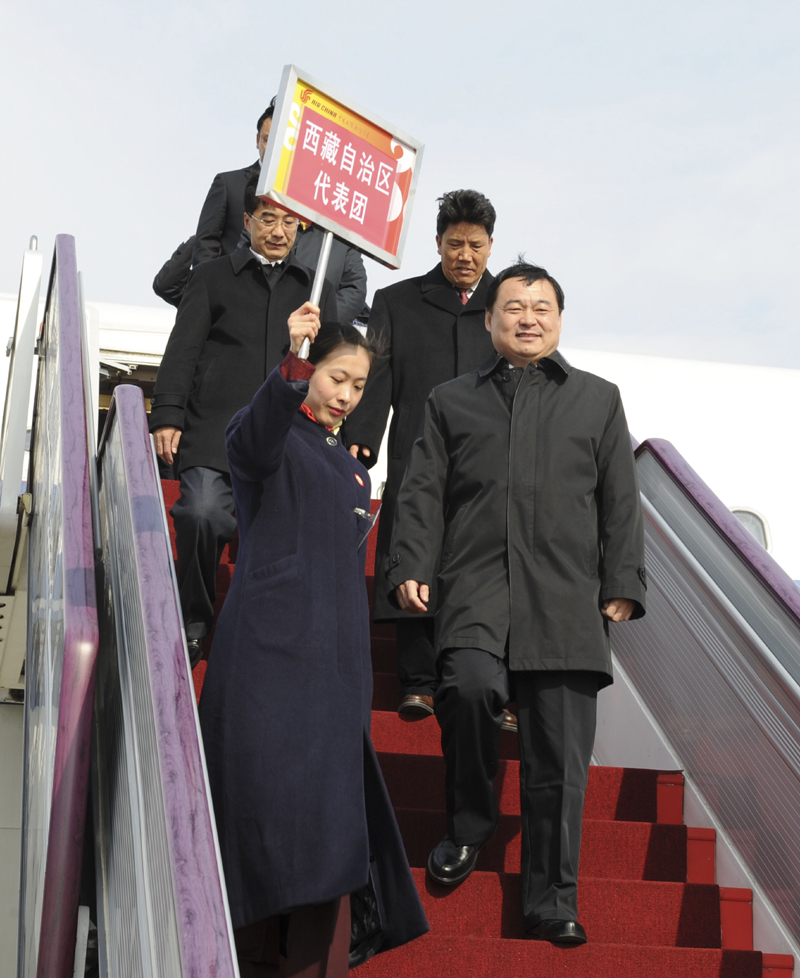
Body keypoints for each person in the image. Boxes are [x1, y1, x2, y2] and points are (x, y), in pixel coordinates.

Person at [387, 261, 647, 947]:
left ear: (559, 320)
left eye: (541, 307)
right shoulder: (452, 401)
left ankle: (551, 899)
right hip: (475, 586)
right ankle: (470, 823)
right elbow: (420, 491)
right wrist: (413, 562)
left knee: (558, 760)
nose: (527, 317)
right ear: (490, 320)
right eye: (513, 307)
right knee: (468, 691)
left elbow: (621, 499)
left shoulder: (598, 400)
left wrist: (623, 581)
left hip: (566, 597)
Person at [198, 312, 428, 977]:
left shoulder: (351, 469)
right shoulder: (264, 430)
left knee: (328, 842)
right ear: (306, 369)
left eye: (358, 385)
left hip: (335, 669)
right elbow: (253, 446)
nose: (346, 395)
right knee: (257, 822)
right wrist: (292, 362)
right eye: (336, 377)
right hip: (265, 664)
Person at [345, 189, 515, 729]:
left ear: (491, 246)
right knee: (411, 553)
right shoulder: (398, 301)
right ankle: (417, 682)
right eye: (455, 244)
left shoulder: (509, 306)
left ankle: (491, 680)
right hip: (418, 451)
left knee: (487, 564)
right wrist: (362, 441)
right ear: (438, 243)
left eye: (476, 245)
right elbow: (380, 378)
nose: (465, 255)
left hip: (493, 464)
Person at [150, 174, 337, 662]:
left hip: (286, 440)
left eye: (289, 222)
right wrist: (167, 415)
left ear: (301, 229)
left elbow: (333, 371)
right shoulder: (212, 277)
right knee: (201, 513)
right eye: (268, 219)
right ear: (249, 222)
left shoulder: (315, 292)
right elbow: (182, 351)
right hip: (213, 433)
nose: (278, 231)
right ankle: (194, 620)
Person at [194, 100, 368, 322]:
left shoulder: (329, 211)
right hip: (239, 312)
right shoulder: (230, 184)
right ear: (258, 139)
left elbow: (354, 286)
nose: (277, 230)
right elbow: (205, 248)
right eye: (268, 139)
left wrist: (318, 321)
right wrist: (213, 298)